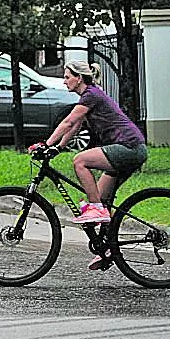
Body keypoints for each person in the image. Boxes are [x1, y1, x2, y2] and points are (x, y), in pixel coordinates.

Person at [32, 60, 148, 269]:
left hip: (129, 148)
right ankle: (108, 249)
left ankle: (96, 210)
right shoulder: (89, 97)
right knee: (102, 199)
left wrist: (45, 143)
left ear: (79, 78)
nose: (64, 80)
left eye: (67, 76)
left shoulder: (92, 95)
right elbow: (75, 126)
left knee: (80, 160)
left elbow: (67, 121)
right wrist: (57, 148)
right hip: (128, 149)